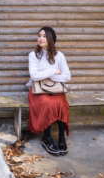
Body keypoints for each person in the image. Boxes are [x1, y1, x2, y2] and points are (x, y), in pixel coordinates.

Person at [26, 26, 71, 156]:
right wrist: (53, 71)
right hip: (37, 91)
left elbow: (67, 76)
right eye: (39, 36)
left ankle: (61, 137)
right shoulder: (33, 55)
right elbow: (34, 76)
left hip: (55, 90)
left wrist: (45, 75)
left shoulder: (59, 55)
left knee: (61, 104)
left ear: (51, 39)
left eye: (44, 36)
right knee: (47, 103)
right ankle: (46, 137)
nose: (40, 38)